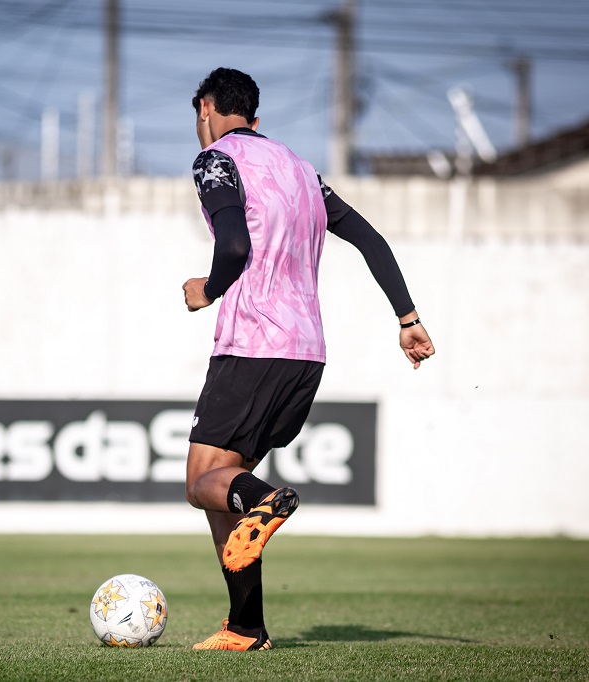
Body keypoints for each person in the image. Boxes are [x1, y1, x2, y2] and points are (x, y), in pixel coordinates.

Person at [182, 67, 435, 651]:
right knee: (226, 486)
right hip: (305, 353)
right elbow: (373, 239)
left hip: (251, 344)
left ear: (205, 108)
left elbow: (235, 245)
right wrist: (408, 319)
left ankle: (271, 502)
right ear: (257, 119)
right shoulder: (301, 171)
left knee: (201, 483)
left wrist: (208, 289)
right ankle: (246, 628)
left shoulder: (216, 159)